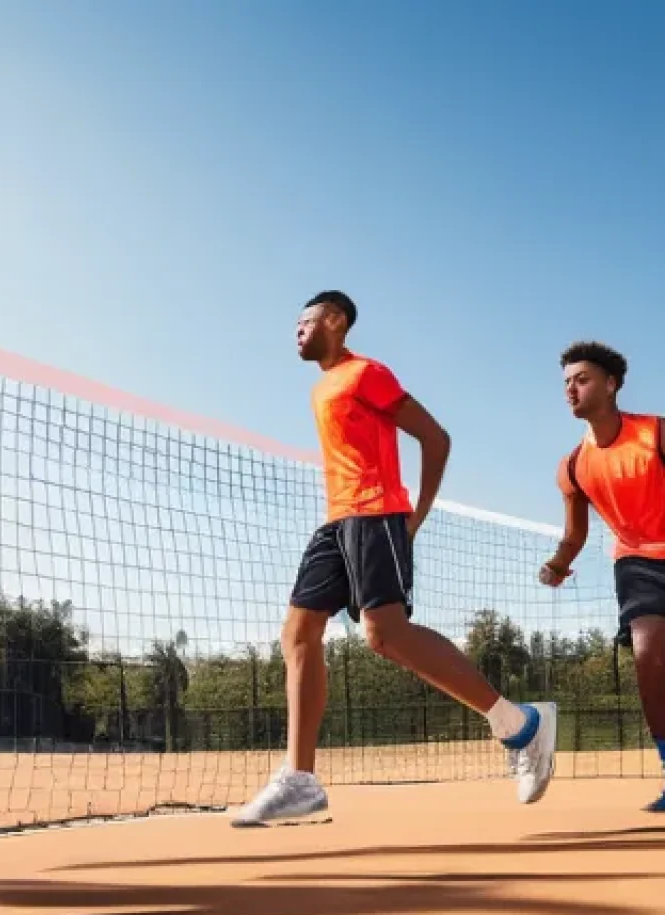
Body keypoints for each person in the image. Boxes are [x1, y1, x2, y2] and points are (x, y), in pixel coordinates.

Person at [233, 290, 557, 826]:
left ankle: (519, 724)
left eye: (306, 320)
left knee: (384, 635)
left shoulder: (367, 374)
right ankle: (300, 781)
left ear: (335, 321)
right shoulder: (322, 387)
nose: (297, 329)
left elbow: (435, 437)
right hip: (337, 522)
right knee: (298, 633)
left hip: (376, 514)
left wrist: (416, 517)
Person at [540, 341, 665, 811]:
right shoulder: (573, 466)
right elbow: (574, 535)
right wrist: (557, 564)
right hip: (636, 562)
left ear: (611, 384)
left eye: (582, 379)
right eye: (567, 382)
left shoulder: (655, 434)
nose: (572, 389)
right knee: (648, 653)